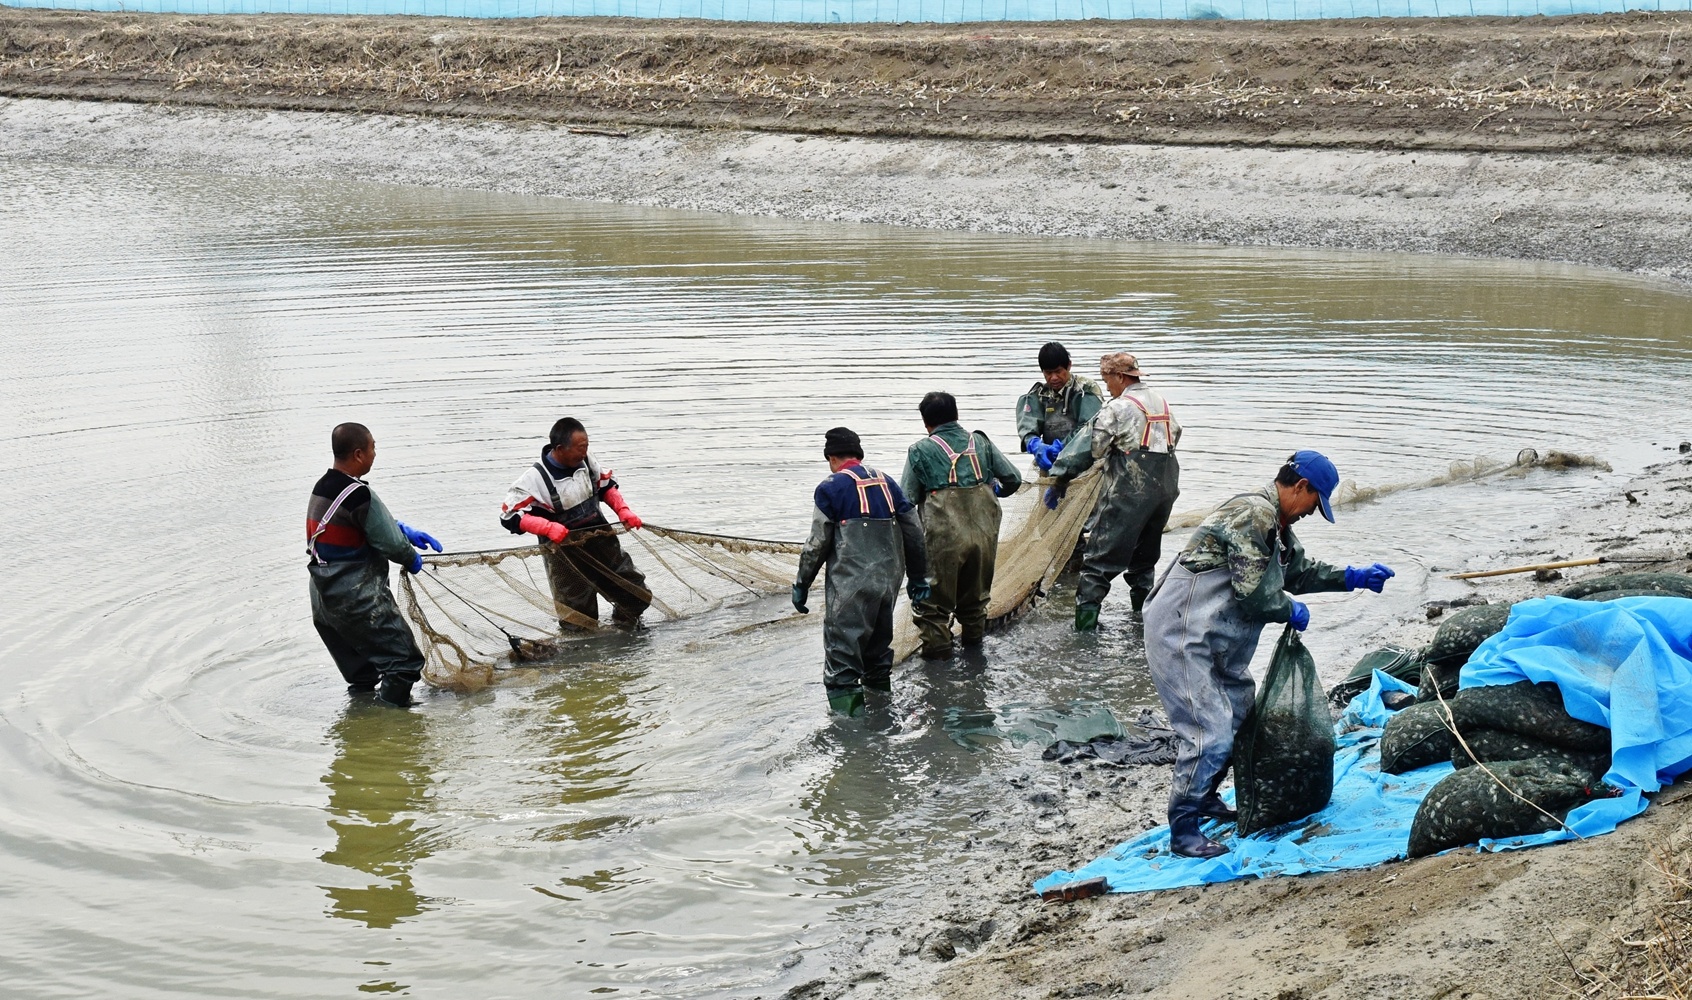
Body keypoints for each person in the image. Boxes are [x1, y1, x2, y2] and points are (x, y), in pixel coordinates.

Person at [1142, 451, 1396, 858]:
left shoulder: (1276, 526)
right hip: (1181, 634)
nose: (1313, 513)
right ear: (1300, 488)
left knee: (1240, 711)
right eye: (1316, 503)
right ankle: (1183, 828)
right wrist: (1287, 609)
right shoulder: (1252, 514)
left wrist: (1352, 577)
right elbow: (1254, 592)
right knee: (1209, 730)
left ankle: (1205, 797)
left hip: (1216, 638)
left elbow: (1296, 572)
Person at [793, 427, 930, 717]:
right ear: (859, 454)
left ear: (831, 457)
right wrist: (918, 577)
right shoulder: (889, 484)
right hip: (887, 587)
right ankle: (882, 718)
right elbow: (914, 531)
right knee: (878, 657)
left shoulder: (830, 488)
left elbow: (817, 543)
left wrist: (802, 583)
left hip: (850, 590)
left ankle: (852, 741)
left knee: (842, 665)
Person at [307, 422, 443, 708]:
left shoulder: (323, 487)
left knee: (362, 674)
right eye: (373, 448)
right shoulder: (359, 494)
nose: (375, 454)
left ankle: (362, 721)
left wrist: (400, 527)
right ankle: (389, 726)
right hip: (356, 599)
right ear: (358, 454)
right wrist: (410, 556)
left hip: (323, 601)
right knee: (404, 662)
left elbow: (348, 527)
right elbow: (392, 546)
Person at [1044, 352, 1182, 629]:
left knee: (1097, 563)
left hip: (1131, 492)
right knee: (1143, 562)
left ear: (1120, 377)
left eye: (1107, 380)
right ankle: (1142, 624)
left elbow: (1092, 447)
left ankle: (1084, 634)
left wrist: (1060, 477)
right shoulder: (1161, 403)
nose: (1106, 387)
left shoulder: (1118, 408)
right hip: (1166, 489)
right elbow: (1175, 435)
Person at [901, 392, 1023, 660]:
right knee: (975, 601)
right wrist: (995, 490)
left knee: (932, 607)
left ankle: (939, 667)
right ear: (956, 415)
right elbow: (1013, 479)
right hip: (984, 534)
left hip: (942, 539)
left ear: (926, 422)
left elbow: (906, 502)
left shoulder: (920, 450)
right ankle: (974, 656)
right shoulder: (980, 442)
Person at [499, 417, 650, 631]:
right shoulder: (534, 479)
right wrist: (547, 528)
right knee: (579, 621)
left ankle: (622, 628)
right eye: (580, 448)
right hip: (564, 554)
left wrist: (623, 510)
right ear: (560, 449)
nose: (584, 452)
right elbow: (509, 517)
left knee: (636, 594)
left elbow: (606, 487)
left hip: (601, 541)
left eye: (586, 446)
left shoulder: (587, 462)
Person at [1015, 341, 1105, 474]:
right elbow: (1027, 425)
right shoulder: (1039, 395)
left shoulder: (1086, 389)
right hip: (1051, 464)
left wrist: (1061, 446)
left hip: (1085, 467)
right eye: (1048, 373)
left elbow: (1089, 427)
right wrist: (1034, 444)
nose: (1054, 378)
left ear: (1069, 365)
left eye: (1058, 371)